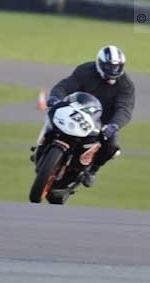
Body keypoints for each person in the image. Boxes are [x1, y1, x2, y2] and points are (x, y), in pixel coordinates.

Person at [47, 45, 135, 186]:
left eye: (117, 67)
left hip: (103, 121)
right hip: (77, 109)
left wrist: (114, 125)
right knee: (53, 115)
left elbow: (124, 109)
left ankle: (92, 170)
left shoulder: (126, 85)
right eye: (109, 66)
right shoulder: (85, 70)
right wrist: (55, 97)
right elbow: (65, 86)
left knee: (111, 148)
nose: (113, 70)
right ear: (99, 63)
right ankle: (45, 142)